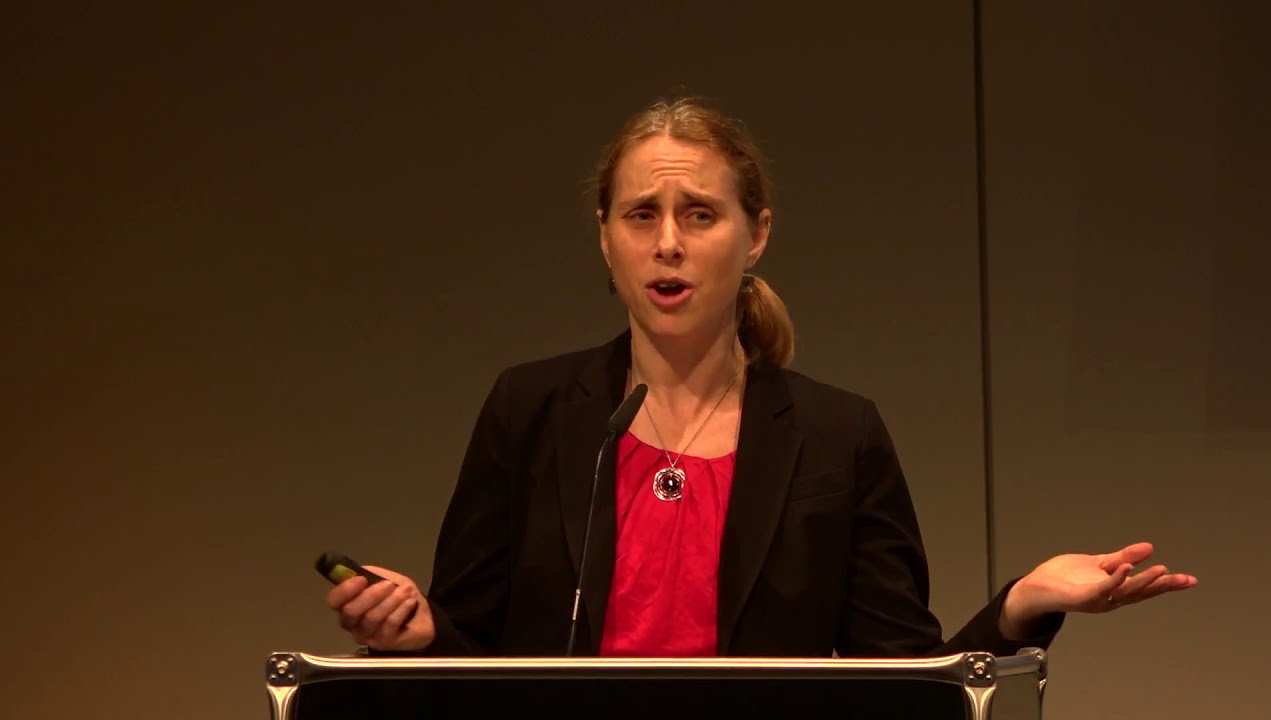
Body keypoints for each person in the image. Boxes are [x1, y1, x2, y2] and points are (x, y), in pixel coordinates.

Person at [324, 98, 1197, 658]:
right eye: (641, 215)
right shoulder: (532, 409)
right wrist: (418, 630)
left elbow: (902, 685)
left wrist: (1020, 606)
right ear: (605, 238)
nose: (667, 243)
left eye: (699, 215)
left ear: (757, 234)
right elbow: (471, 649)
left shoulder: (836, 436)